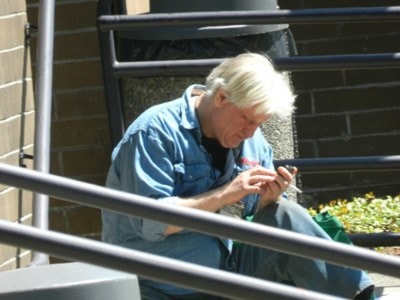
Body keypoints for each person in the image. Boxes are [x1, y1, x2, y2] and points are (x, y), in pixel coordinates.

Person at [102, 53, 374, 300]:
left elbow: (258, 217)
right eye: (247, 119)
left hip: (230, 273)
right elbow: (150, 223)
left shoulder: (252, 140)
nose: (251, 132)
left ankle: (361, 298)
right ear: (221, 97)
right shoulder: (154, 132)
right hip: (163, 283)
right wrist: (226, 194)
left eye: (259, 123)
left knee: (285, 213)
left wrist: (269, 200)